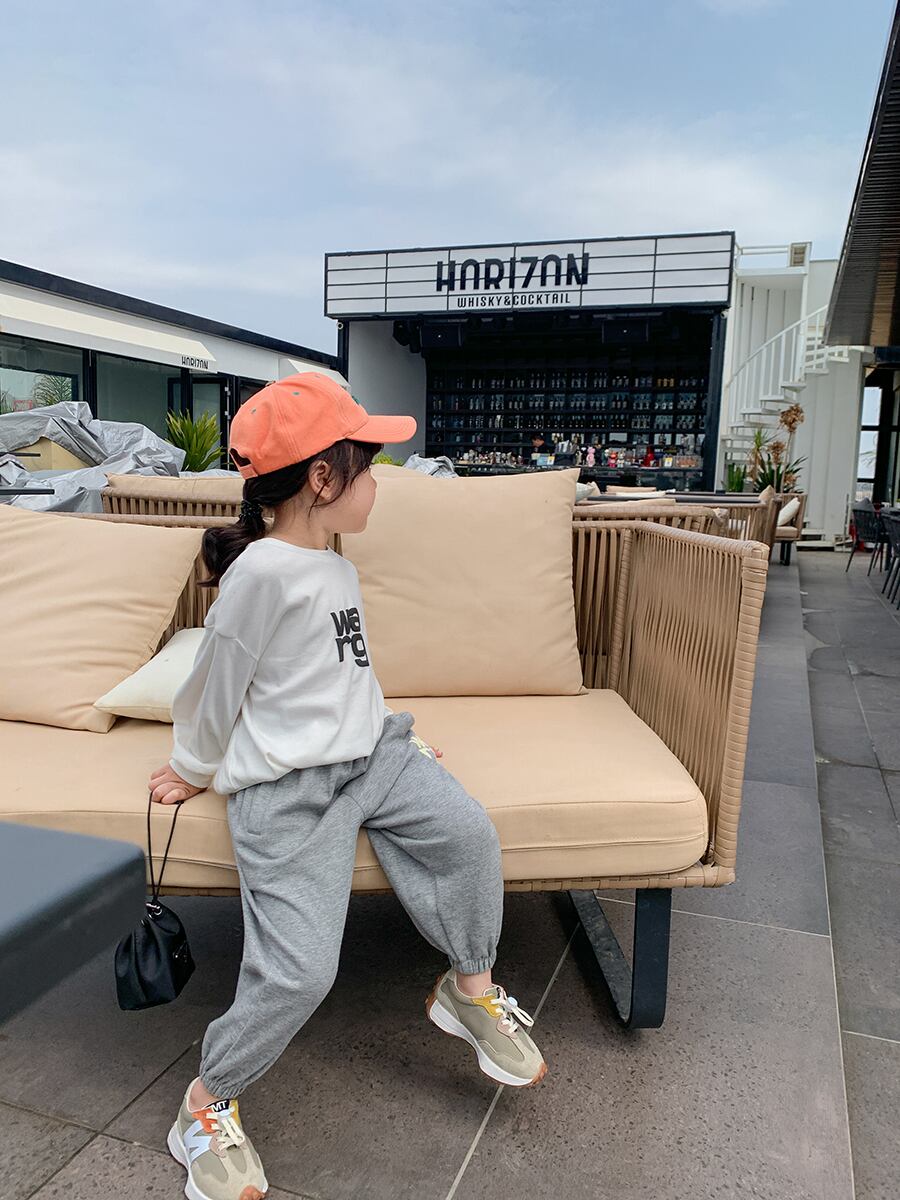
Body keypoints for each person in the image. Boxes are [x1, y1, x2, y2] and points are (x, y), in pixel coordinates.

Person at [149, 373, 546, 1200]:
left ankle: (468, 990)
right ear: (322, 478)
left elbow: (343, 671)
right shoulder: (260, 576)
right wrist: (192, 768)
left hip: (373, 756)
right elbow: (216, 685)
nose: (378, 484)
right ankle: (205, 1103)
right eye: (369, 468)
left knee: (468, 833)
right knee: (300, 972)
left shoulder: (332, 564)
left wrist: (392, 732)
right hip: (291, 791)